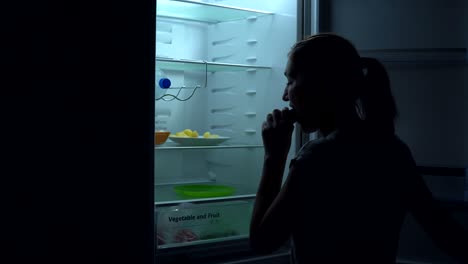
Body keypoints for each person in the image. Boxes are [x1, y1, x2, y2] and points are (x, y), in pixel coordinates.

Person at [249, 33, 468, 263]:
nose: (285, 96)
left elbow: (262, 242)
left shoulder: (318, 157)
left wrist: (274, 157)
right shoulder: (393, 150)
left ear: (321, 84)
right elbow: (444, 231)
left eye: (291, 80)